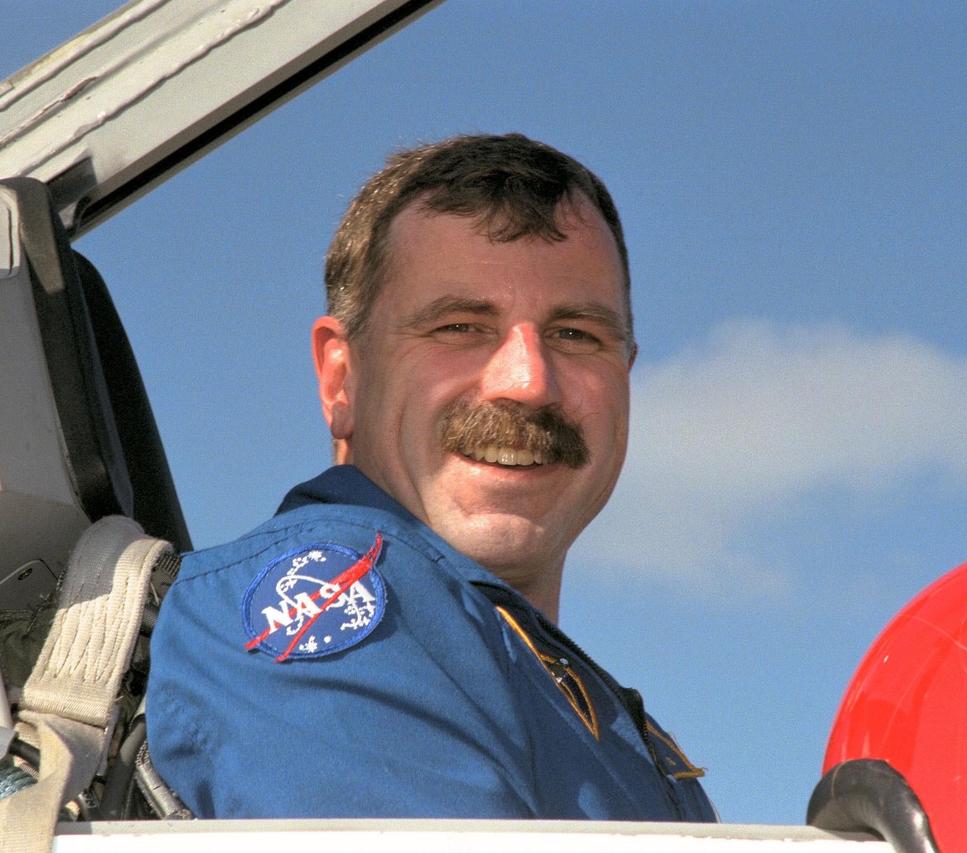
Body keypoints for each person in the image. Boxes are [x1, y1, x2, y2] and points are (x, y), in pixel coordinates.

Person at [146, 133, 716, 821]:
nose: (529, 382)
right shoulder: (331, 603)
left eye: (575, 335)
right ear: (340, 376)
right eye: (459, 326)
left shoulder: (596, 714)